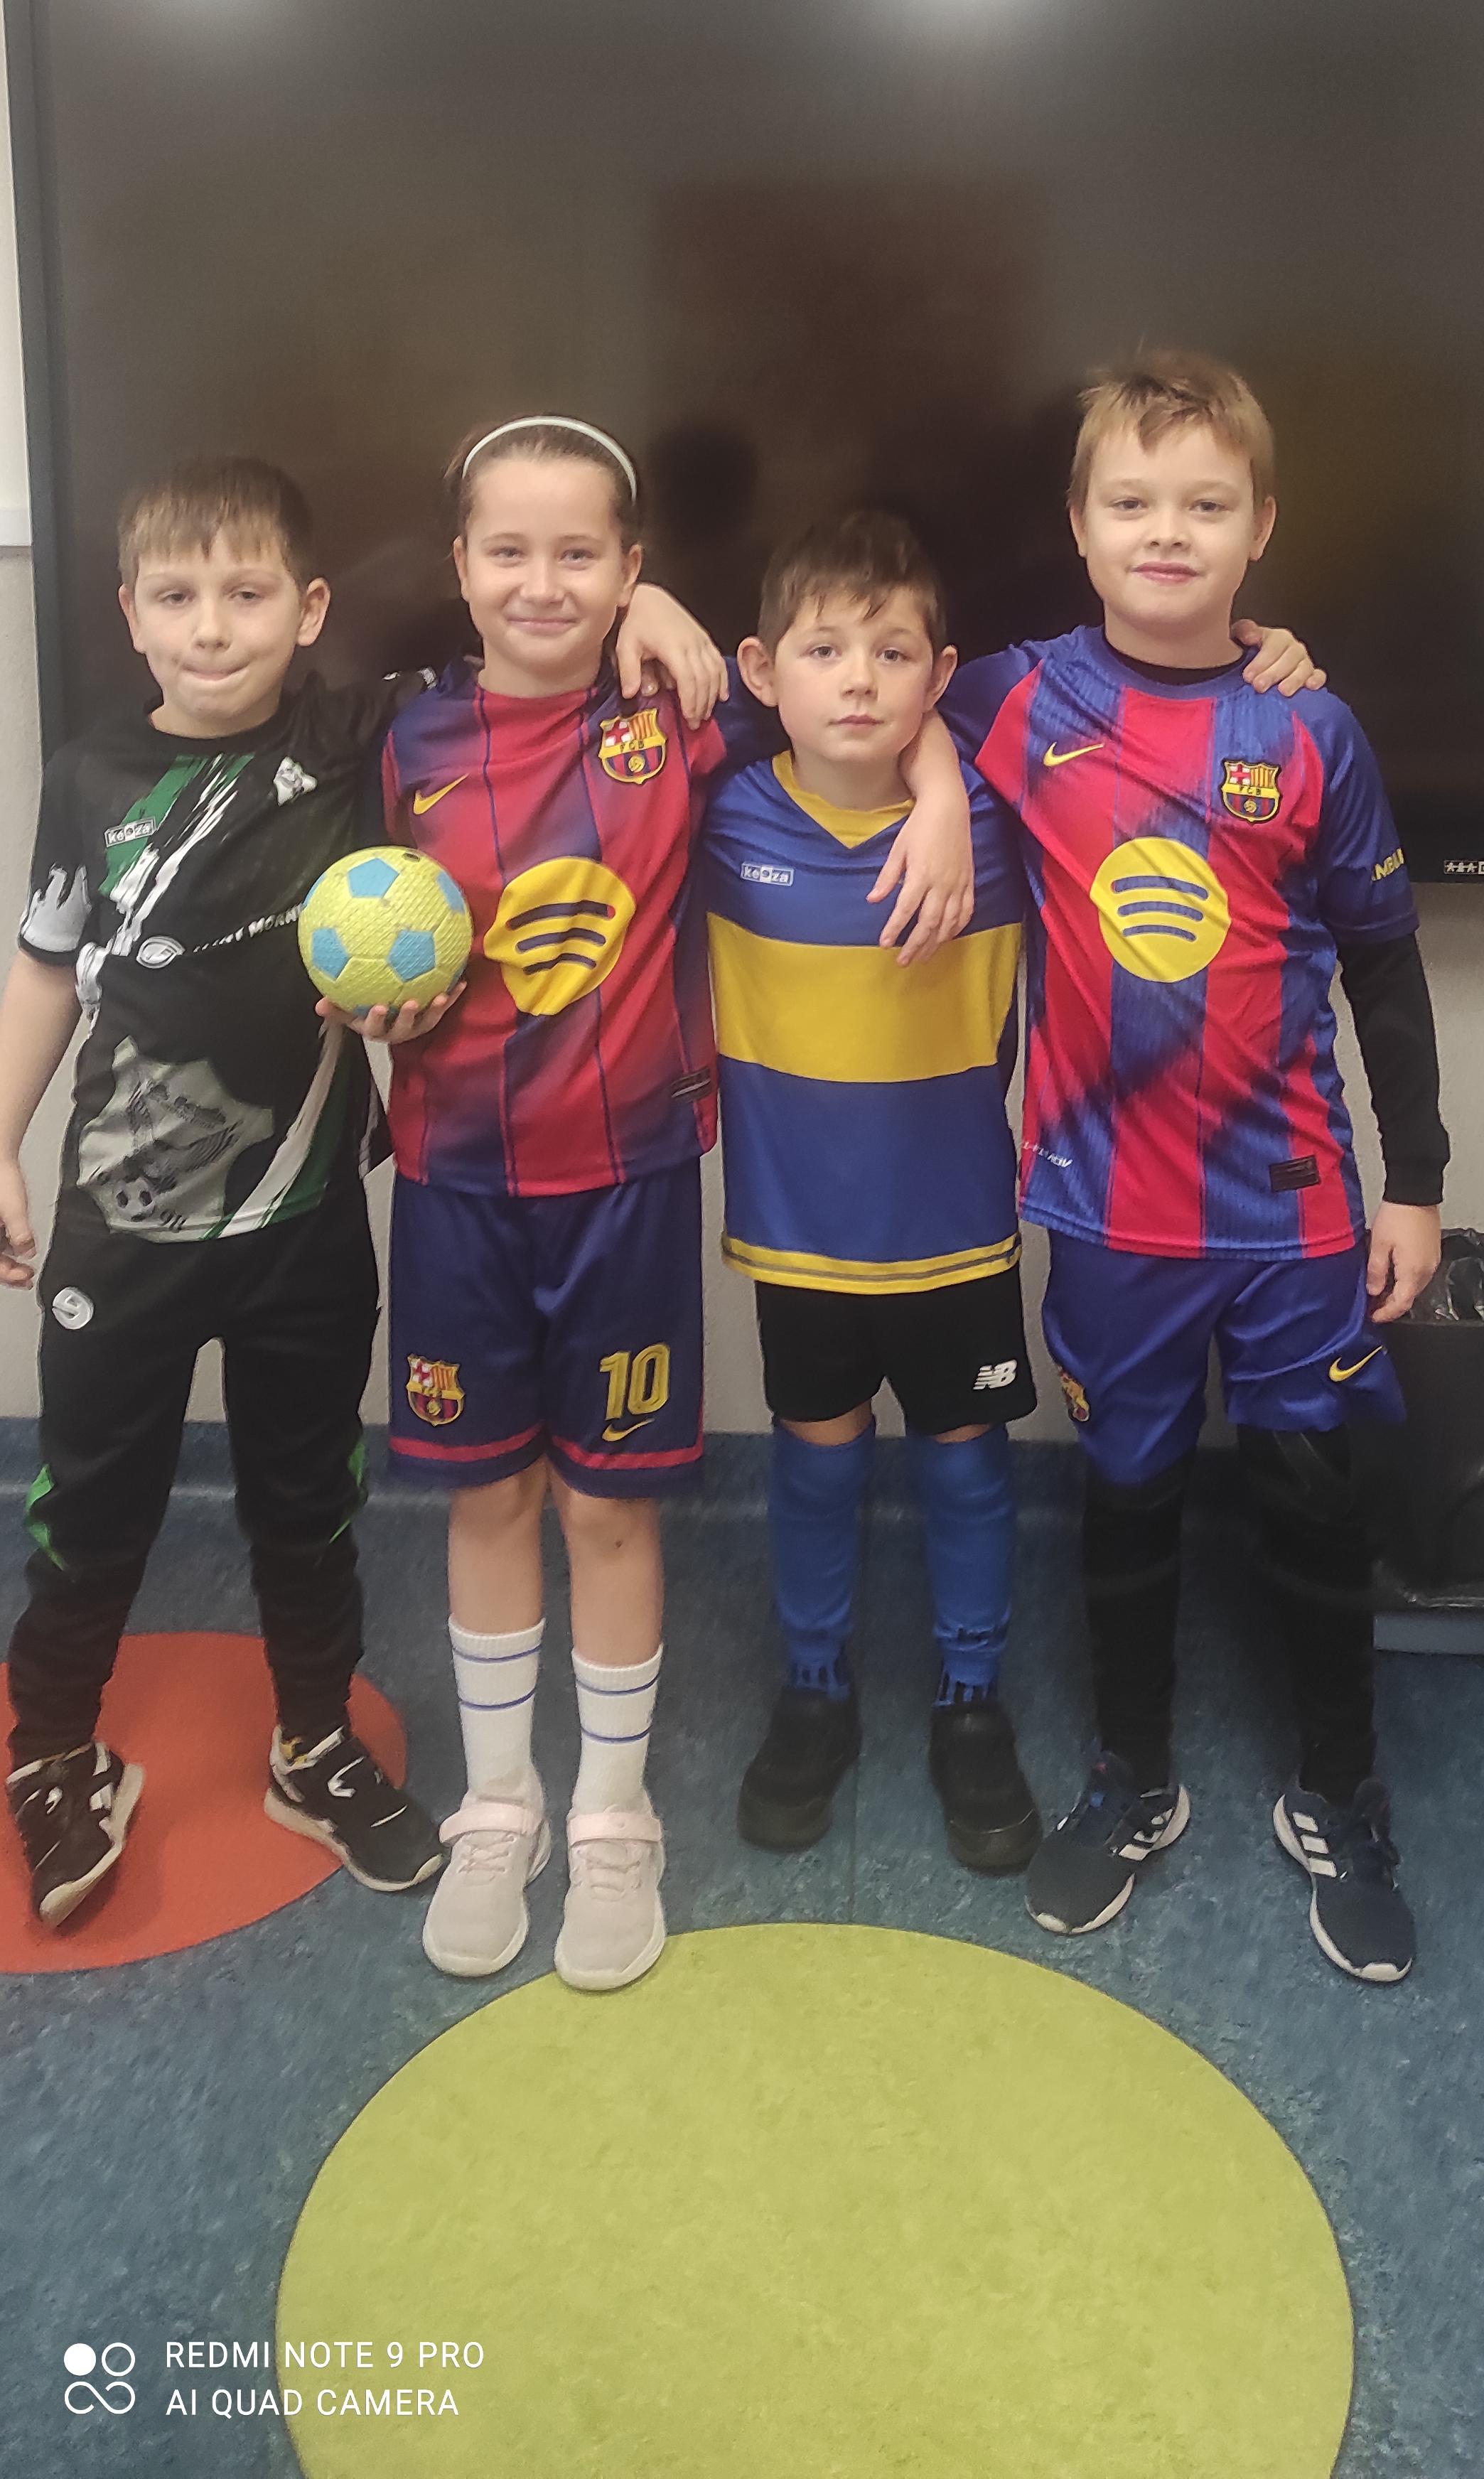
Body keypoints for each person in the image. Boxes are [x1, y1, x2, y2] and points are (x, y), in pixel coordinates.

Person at [366, 418, 968, 1994]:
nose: (542, 583)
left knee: (609, 1505)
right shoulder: (403, 739)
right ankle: (501, 1804)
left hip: (626, 1185)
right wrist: (360, 1001)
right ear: (458, 569)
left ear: (631, 569)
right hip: (452, 1186)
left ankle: (613, 1816)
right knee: (487, 1497)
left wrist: (942, 789)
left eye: (582, 555)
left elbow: (865, 709)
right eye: (510, 551)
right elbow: (363, 929)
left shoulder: (677, 721)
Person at [942, 352, 1448, 1984]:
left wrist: (1418, 1183)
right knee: (1130, 1503)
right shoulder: (1014, 698)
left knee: (1314, 1502)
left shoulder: (1308, 726)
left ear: (1261, 528)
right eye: (1134, 502)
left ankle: (1341, 1792)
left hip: (1294, 1212)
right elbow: (840, 689)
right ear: (1080, 526)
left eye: (1206, 505)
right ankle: (1133, 1777)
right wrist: (942, 788)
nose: (1168, 532)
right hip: (1111, 1216)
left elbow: (1384, 968)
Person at [0, 458, 450, 1924]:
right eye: (177, 597)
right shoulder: (87, 778)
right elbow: (45, 970)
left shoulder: (353, 739)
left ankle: (313, 1744)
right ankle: (55, 1752)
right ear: (129, 614)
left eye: (247, 594)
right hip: (122, 1229)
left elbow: (528, 637)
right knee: (91, 1504)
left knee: (307, 1500)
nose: (211, 627)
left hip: (302, 1225)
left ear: (308, 609)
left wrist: (658, 614)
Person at [704, 509, 1043, 1873]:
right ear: (762, 668)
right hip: (801, 1240)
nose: (857, 680)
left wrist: (949, 792)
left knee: (968, 1464)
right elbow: (614, 703)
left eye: (893, 654)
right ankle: (815, 1688)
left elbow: (1112, 680)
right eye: (824, 649)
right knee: (815, 1459)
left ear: (938, 674)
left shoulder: (1004, 825)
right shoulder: (722, 813)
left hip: (956, 1233)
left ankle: (971, 1697)